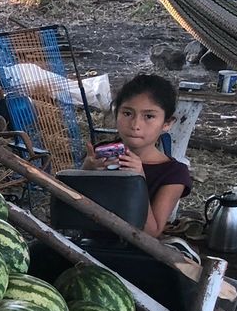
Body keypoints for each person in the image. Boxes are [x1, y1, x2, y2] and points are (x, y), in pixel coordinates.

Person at [82, 73, 192, 237]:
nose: (135, 125)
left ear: (167, 123)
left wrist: (137, 178)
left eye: (149, 116)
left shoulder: (174, 174)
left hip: (135, 251)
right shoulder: (100, 155)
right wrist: (86, 171)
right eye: (127, 113)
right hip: (89, 245)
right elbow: (73, 208)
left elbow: (151, 232)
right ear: (116, 113)